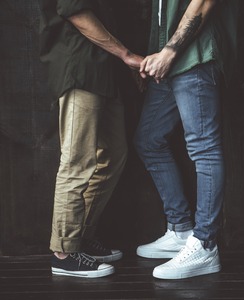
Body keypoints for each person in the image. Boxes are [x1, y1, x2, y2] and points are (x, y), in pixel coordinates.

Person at [38, 0, 144, 278]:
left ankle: (79, 237)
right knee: (77, 161)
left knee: (113, 156)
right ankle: (63, 253)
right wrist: (126, 55)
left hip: (104, 71)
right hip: (79, 66)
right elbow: (76, 11)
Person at [134, 0, 238, 279]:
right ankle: (181, 230)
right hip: (169, 61)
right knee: (149, 139)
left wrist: (168, 51)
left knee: (204, 148)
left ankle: (205, 244)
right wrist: (155, 56)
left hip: (194, 56)